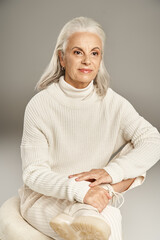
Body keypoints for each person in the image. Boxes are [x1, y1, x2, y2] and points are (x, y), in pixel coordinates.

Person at [18, 16, 160, 240]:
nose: (87, 61)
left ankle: (91, 206)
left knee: (136, 154)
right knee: (106, 219)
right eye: (78, 52)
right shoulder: (40, 105)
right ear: (62, 58)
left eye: (94, 53)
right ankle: (90, 207)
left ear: (101, 59)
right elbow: (33, 174)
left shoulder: (113, 103)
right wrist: (82, 193)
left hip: (95, 193)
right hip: (46, 199)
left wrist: (112, 172)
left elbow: (153, 141)